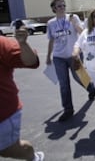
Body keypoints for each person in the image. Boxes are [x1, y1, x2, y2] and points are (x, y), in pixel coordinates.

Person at [46, 0, 95, 122]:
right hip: (58, 57)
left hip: (73, 55)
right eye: (59, 6)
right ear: (54, 9)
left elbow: (82, 33)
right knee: (64, 84)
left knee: (79, 78)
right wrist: (48, 56)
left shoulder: (73, 18)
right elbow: (51, 40)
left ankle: (91, 88)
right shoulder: (51, 23)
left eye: (63, 5)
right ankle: (68, 109)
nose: (62, 7)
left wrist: (74, 23)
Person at [0, 25, 44, 161]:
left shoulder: (2, 43)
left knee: (8, 150)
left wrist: (23, 43)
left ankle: (32, 156)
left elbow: (31, 61)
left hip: (3, 113)